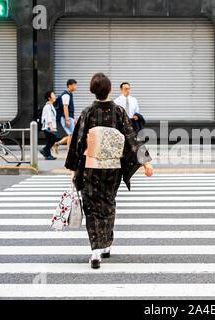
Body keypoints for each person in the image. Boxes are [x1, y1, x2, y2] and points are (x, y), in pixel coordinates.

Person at [65, 73, 154, 269]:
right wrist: (146, 163)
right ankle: (106, 245)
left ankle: (95, 251)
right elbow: (131, 137)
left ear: (92, 91)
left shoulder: (87, 112)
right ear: (111, 90)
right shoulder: (119, 111)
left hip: (91, 167)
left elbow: (78, 143)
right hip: (112, 168)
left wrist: (73, 169)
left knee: (92, 208)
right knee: (108, 204)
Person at [57, 79, 78, 151]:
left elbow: (69, 108)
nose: (76, 87)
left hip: (69, 117)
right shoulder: (66, 94)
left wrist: (73, 117)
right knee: (71, 135)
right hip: (66, 117)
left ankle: (57, 144)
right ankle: (70, 152)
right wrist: (67, 119)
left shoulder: (69, 94)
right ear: (69, 86)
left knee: (72, 135)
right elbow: (65, 107)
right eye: (74, 85)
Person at [40, 91, 58, 160]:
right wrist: (51, 126)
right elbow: (48, 117)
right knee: (50, 140)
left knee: (52, 140)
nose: (55, 96)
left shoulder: (51, 105)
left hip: (51, 126)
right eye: (53, 95)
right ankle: (46, 153)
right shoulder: (47, 106)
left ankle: (46, 152)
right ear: (49, 98)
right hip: (48, 127)